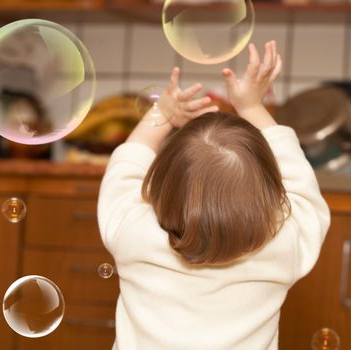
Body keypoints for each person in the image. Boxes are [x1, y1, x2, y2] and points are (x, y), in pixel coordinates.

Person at [97, 41, 330, 350]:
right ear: (270, 192)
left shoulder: (132, 233)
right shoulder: (283, 246)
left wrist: (163, 112)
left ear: (159, 184)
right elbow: (302, 185)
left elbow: (127, 163)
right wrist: (252, 107)